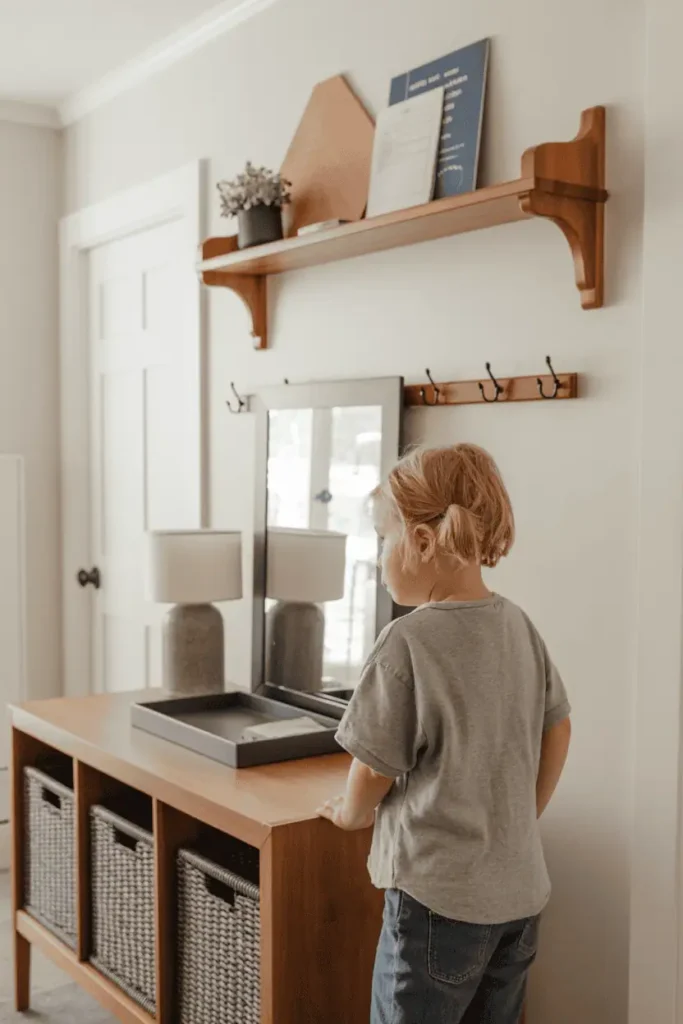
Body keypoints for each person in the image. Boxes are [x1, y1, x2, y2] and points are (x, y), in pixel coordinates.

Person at [317, 443, 571, 1024]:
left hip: (437, 908)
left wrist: (352, 815)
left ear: (423, 543)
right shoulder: (518, 624)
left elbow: (374, 765)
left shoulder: (407, 643)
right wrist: (521, 819)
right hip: (520, 899)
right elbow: (560, 728)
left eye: (384, 540)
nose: (380, 557)